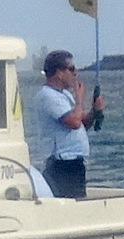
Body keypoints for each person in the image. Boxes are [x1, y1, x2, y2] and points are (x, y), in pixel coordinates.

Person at [32, 49, 102, 199]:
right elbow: (74, 123)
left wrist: (94, 111)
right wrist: (80, 99)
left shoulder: (64, 95)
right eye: (71, 69)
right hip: (62, 164)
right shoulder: (48, 96)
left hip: (75, 162)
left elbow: (82, 124)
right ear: (59, 72)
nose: (75, 73)